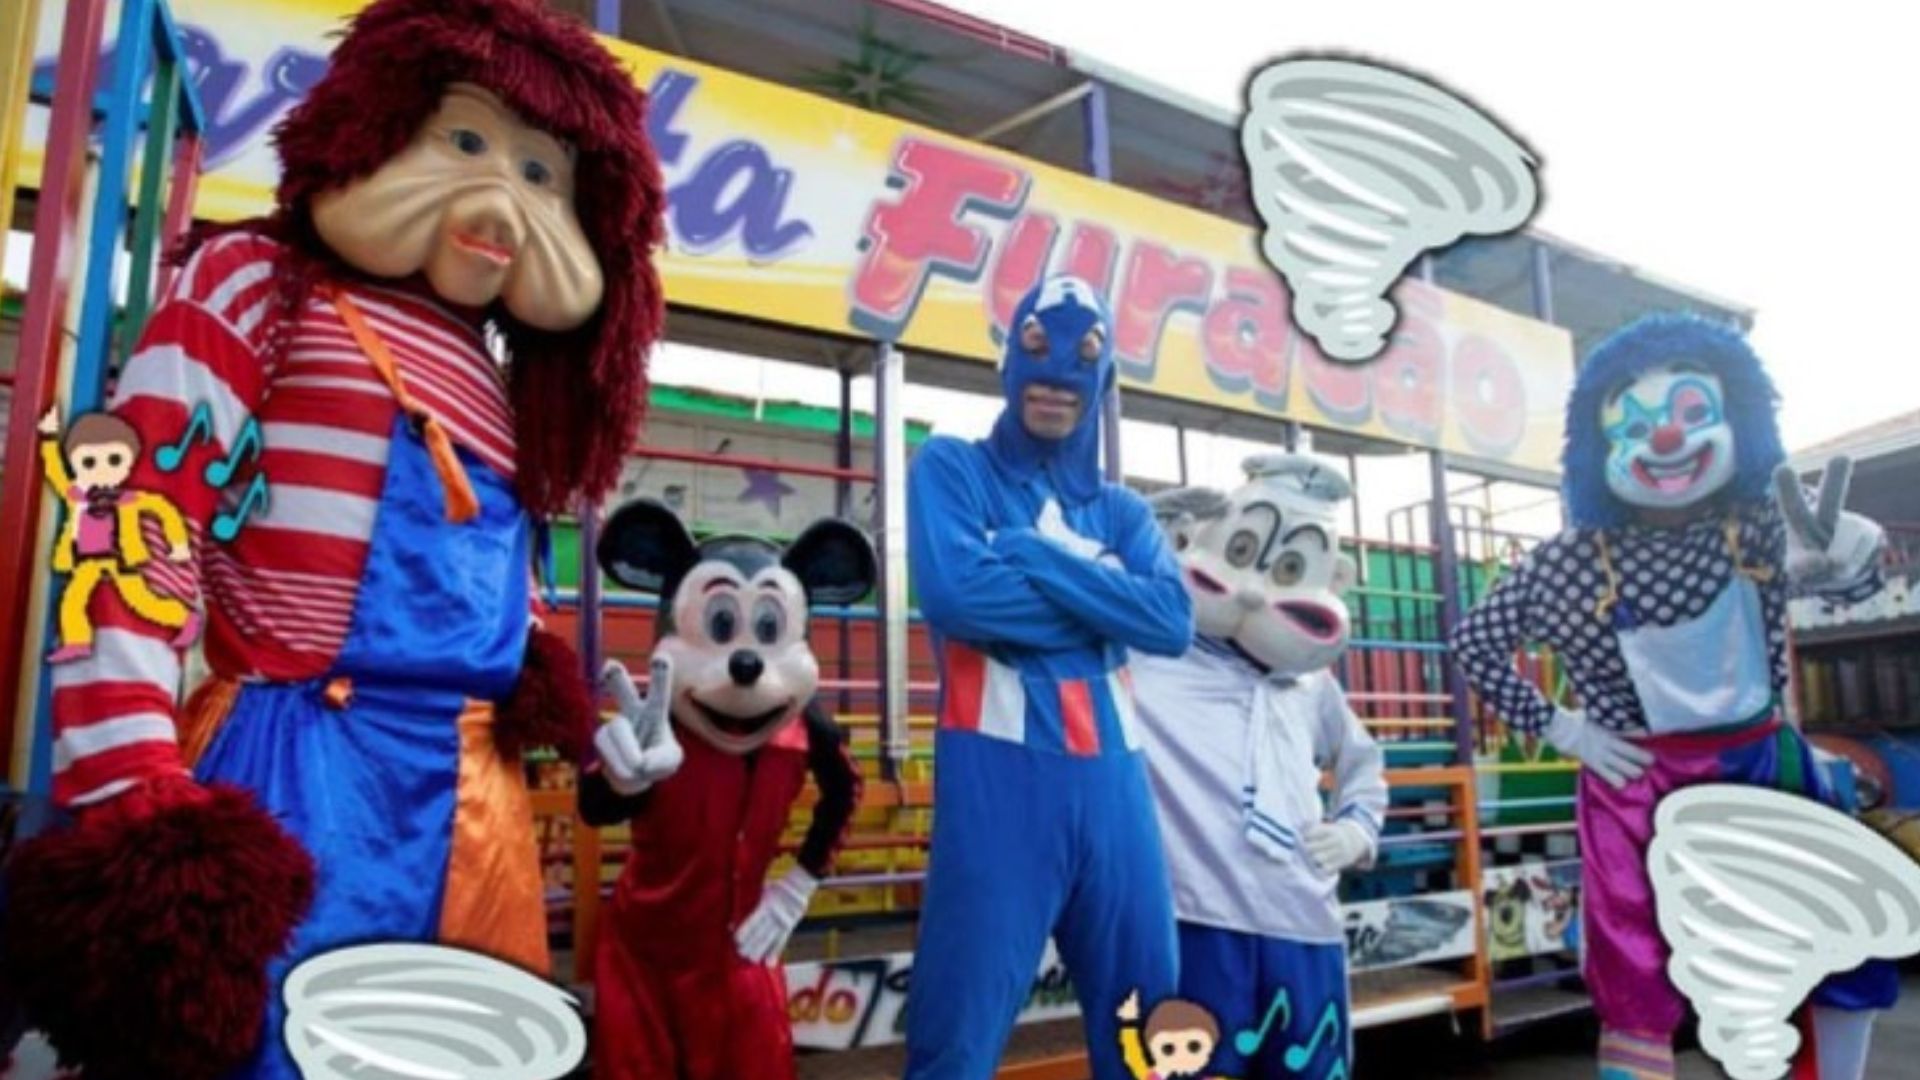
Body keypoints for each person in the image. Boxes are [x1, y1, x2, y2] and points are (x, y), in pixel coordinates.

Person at [0, 2, 665, 1076]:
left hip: (477, 813)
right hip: (298, 782)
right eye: (466, 139)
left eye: (543, 175)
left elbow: (499, 601)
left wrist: (598, 751)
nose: (502, 198)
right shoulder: (261, 284)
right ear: (376, 121)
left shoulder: (503, 386)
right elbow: (133, 524)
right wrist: (130, 786)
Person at [1451, 314, 1895, 1080]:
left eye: (1693, 413)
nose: (1665, 439)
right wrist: (1566, 729)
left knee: (1834, 931)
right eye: (1635, 425)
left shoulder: (1763, 523)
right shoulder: (1566, 561)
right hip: (1635, 788)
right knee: (1633, 978)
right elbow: (1473, 643)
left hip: (1763, 770)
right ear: (1596, 446)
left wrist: (1851, 554)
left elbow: (1851, 572)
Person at [902, 274, 1193, 1080]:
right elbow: (959, 596)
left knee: (1148, 1038)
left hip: (1117, 792)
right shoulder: (952, 468)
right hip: (998, 787)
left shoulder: (1123, 511)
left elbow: (1172, 622)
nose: (1057, 377)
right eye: (1036, 349)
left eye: (1083, 359)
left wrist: (1032, 556)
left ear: (1103, 380)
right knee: (955, 1041)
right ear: (1008, 361)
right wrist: (1108, 604)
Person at [1131, 454, 1385, 1079]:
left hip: (1304, 921)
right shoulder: (1146, 655)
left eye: (1290, 568)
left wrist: (1357, 830)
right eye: (1241, 550)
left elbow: (1363, 762)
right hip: (1193, 918)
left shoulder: (1310, 684)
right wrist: (1131, 534)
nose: (1253, 587)